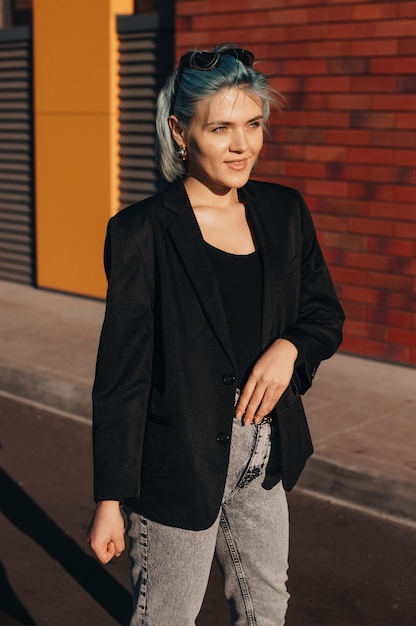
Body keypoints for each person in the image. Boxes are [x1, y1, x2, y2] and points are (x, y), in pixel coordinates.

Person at [87, 44, 345, 626]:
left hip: (265, 456)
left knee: (266, 612)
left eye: (253, 124)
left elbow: (324, 314)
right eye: (221, 127)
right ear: (180, 132)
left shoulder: (284, 212)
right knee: (167, 617)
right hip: (177, 461)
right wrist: (109, 498)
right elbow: (122, 375)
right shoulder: (140, 234)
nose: (241, 145)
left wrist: (290, 349)